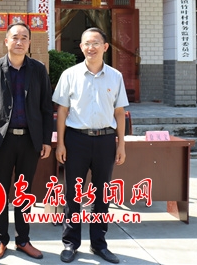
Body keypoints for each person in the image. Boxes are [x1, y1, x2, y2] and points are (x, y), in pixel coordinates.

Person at [53, 27, 128, 264]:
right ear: (81, 47)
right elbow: (62, 111)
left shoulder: (115, 76)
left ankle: (99, 243)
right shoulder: (70, 75)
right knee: (73, 194)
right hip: (77, 140)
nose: (91, 47)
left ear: (105, 47)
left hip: (105, 140)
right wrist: (60, 144)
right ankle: (70, 243)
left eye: (96, 43)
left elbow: (119, 113)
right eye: (87, 43)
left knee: (102, 194)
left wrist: (121, 145)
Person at [0, 22, 54, 261]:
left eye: (24, 38)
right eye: (15, 37)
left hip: (30, 141)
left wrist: (46, 140)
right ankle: (0, 239)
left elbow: (46, 107)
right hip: (2, 141)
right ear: (6, 41)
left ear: (29, 42)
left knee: (24, 191)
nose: (19, 42)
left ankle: (23, 240)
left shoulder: (38, 70)